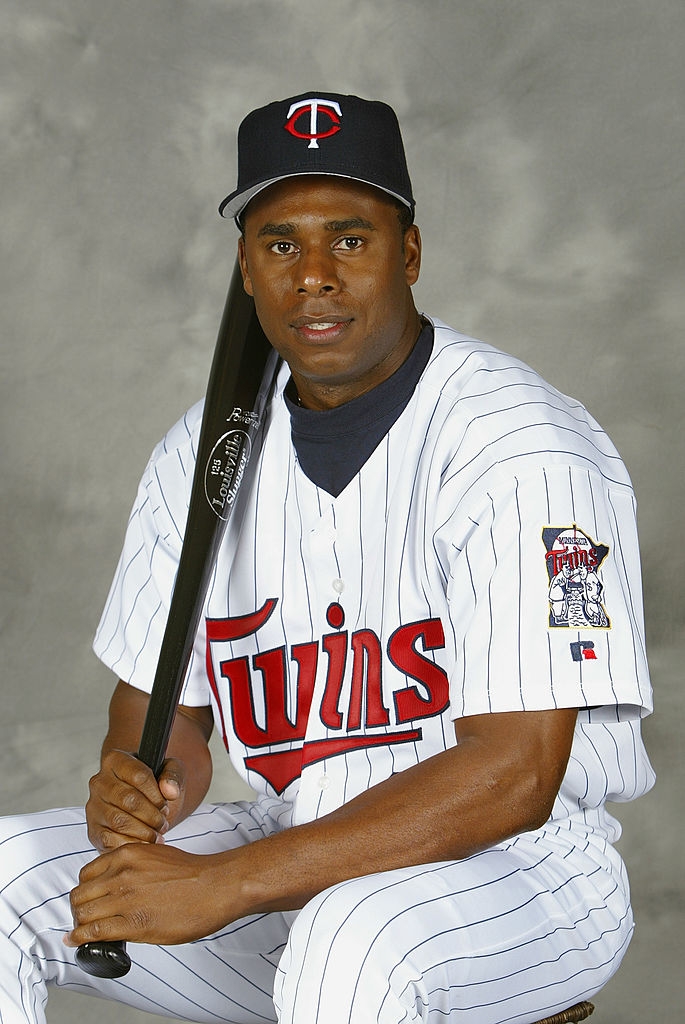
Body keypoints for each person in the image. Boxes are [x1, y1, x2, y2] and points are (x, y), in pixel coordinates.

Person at [0, 92, 655, 1024]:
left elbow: (513, 774)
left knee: (350, 942)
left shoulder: (517, 444)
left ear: (409, 253)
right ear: (245, 266)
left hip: (522, 878)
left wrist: (225, 884)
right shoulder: (199, 453)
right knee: (7, 882)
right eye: (280, 244)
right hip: (292, 847)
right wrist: (144, 778)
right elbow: (159, 708)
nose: (313, 275)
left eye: (349, 239)